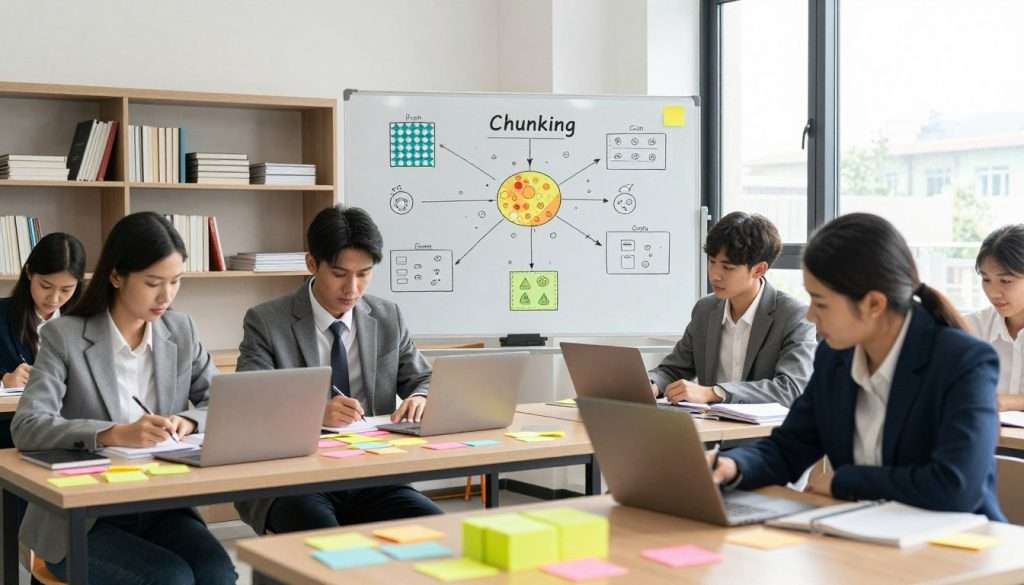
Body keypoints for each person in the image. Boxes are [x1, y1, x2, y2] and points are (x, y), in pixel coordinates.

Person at [709, 213, 1003, 520]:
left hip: (955, 546)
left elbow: (955, 487)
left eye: (820, 303)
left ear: (874, 304)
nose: (810, 316)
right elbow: (789, 448)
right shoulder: (835, 357)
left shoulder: (963, 361)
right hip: (862, 533)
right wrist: (731, 466)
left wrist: (844, 481)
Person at [11, 212, 236, 584]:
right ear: (116, 276)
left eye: (175, 281)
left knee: (217, 573)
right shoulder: (65, 337)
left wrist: (189, 419)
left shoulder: (179, 330)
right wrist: (113, 433)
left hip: (160, 507)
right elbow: (28, 425)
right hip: (84, 520)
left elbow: (225, 401)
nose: (166, 296)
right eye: (153, 283)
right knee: (171, 579)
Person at [234, 204, 441, 535]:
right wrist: (315, 413)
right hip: (294, 480)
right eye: (340, 274)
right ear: (312, 263)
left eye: (364, 274)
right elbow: (249, 403)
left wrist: (420, 396)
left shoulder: (388, 317)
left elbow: (424, 378)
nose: (353, 289)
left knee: (435, 529)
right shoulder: (267, 321)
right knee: (327, 538)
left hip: (372, 475)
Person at [648, 211, 817, 406]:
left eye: (727, 267)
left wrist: (715, 393)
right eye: (712, 262)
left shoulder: (793, 316)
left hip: (764, 434)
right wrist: (652, 385)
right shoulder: (705, 309)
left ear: (759, 269)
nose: (715, 275)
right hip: (710, 430)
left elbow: (791, 388)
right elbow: (673, 369)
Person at [0, 232, 85, 449]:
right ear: (29, 273)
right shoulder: (2, 315)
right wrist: (5, 380)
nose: (54, 298)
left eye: (66, 289)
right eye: (46, 286)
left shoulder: (87, 321)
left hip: (72, 430)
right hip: (10, 432)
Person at [967, 224, 1024, 411]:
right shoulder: (972, 327)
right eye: (986, 279)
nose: (993, 292)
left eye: (1006, 281)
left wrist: (1008, 402)